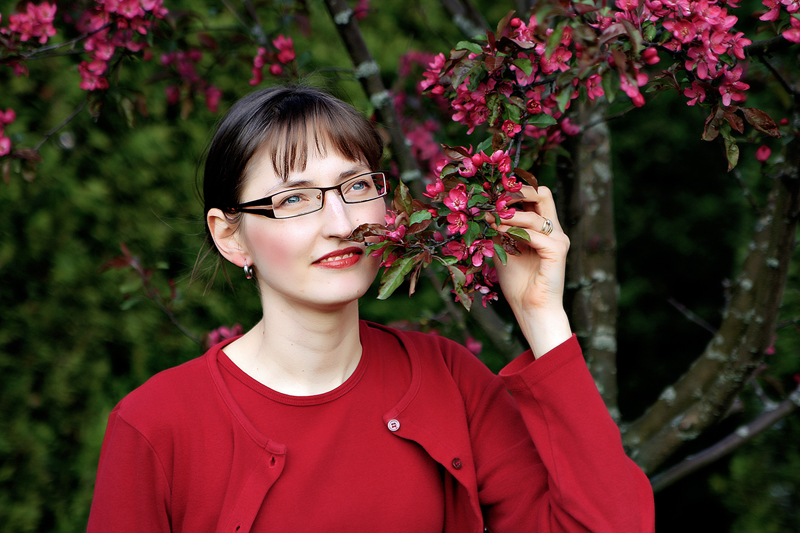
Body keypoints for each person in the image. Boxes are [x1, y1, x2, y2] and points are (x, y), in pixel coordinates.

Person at [87, 85, 655, 532]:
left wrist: (541, 316)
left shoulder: (448, 380)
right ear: (230, 236)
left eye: (357, 186)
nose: (341, 224)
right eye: (295, 198)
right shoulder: (156, 426)